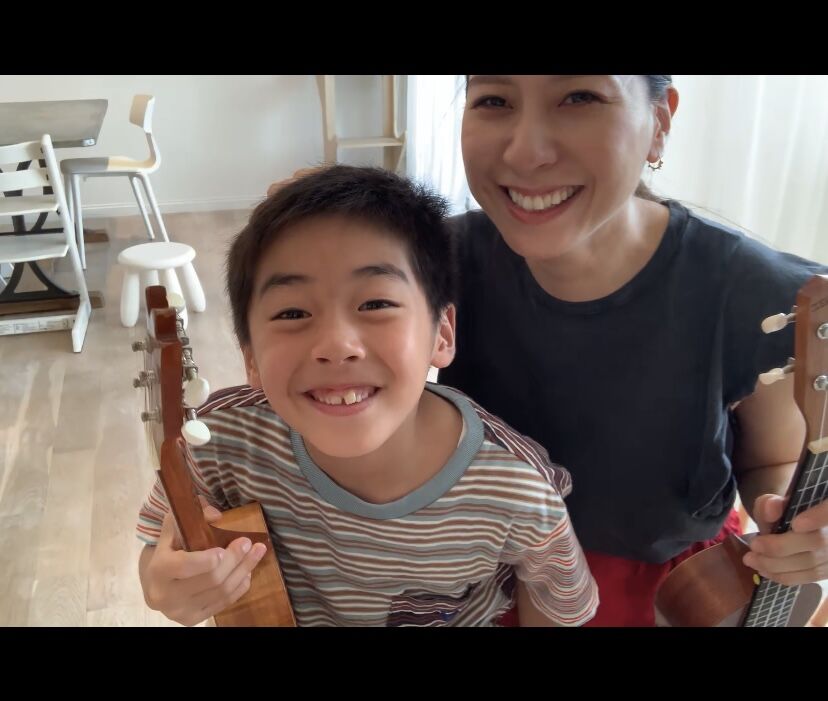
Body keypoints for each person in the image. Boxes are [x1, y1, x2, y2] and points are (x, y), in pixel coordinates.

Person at [436, 75, 828, 626]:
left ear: (659, 123)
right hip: (482, 579)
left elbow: (773, 458)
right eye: (494, 100)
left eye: (580, 97)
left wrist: (796, 527)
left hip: (668, 595)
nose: (525, 152)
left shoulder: (756, 292)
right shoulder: (432, 260)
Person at [135, 165, 598, 627]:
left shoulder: (517, 488)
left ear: (441, 333)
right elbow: (158, 545)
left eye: (376, 303)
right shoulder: (216, 439)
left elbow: (557, 606)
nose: (337, 345)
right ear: (250, 357)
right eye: (292, 312)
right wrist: (164, 586)